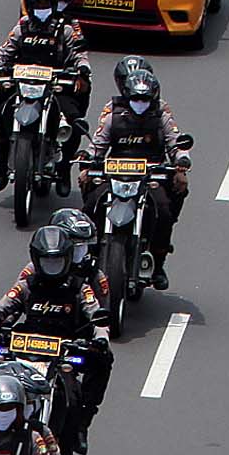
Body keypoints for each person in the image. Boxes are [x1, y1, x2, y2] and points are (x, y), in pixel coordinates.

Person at [0, 225, 115, 454]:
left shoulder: (80, 288)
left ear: (67, 259)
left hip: (64, 352)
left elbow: (96, 315)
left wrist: (101, 338)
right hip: (23, 349)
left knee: (77, 393)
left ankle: (79, 429)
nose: (52, 267)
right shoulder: (27, 284)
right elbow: (1, 307)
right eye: (47, 261)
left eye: (57, 261)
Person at [80, 64, 188, 291]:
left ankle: (158, 264)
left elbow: (175, 142)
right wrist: (87, 160)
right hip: (115, 173)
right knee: (90, 205)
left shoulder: (161, 116)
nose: (140, 103)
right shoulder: (113, 116)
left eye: (145, 99)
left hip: (151, 174)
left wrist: (181, 162)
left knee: (164, 210)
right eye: (136, 99)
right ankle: (89, 254)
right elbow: (98, 144)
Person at [0, 0, 89, 193]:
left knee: (74, 122)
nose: (42, 9)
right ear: (30, 7)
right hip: (23, 82)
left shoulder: (65, 29)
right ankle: (2, 167)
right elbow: (6, 50)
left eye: (46, 4)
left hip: (55, 83)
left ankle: (63, 169)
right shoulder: (22, 27)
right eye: (38, 5)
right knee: (0, 118)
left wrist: (82, 69)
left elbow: (79, 54)